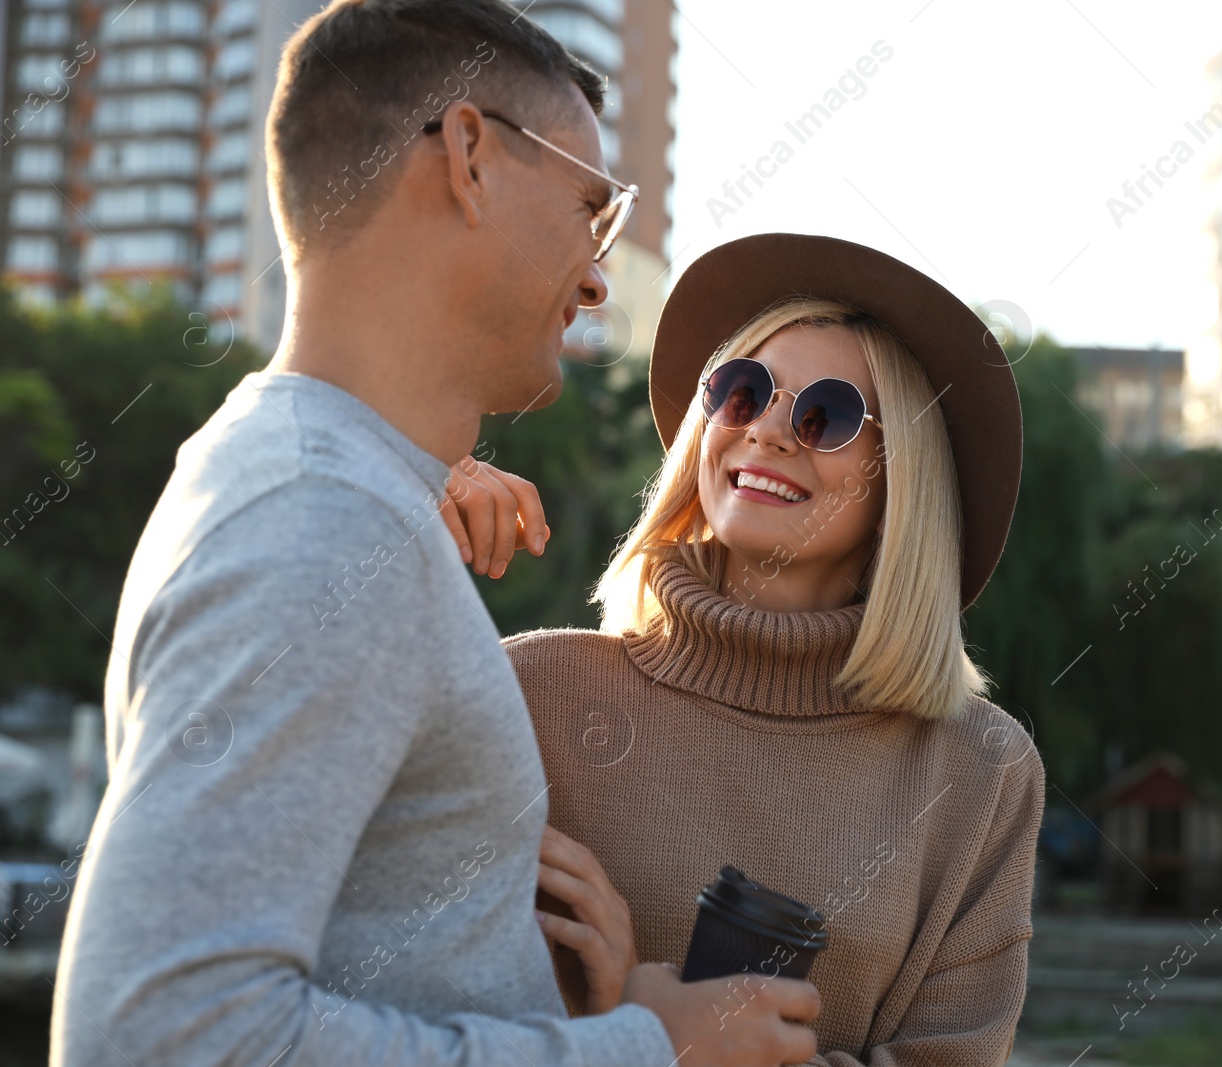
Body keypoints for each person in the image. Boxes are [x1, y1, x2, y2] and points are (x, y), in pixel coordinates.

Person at [51, 4, 818, 1066]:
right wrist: (648, 1052)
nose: (598, 275)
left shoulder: (330, 488)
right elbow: (160, 1037)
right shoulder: (318, 518)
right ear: (467, 156)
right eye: (590, 210)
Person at [452, 233, 1045, 1065]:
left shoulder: (982, 771)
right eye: (742, 391)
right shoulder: (530, 689)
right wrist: (387, 506)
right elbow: (398, 988)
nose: (767, 430)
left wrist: (651, 1032)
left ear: (901, 479)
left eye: (825, 415)